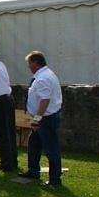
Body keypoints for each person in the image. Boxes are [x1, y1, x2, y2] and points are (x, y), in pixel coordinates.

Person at [19, 51, 63, 186]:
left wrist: (37, 119)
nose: (28, 66)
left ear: (35, 63)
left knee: (51, 149)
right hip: (45, 118)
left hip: (46, 119)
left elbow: (45, 100)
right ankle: (33, 171)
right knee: (34, 144)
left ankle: (55, 179)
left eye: (29, 63)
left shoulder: (43, 78)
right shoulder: (44, 75)